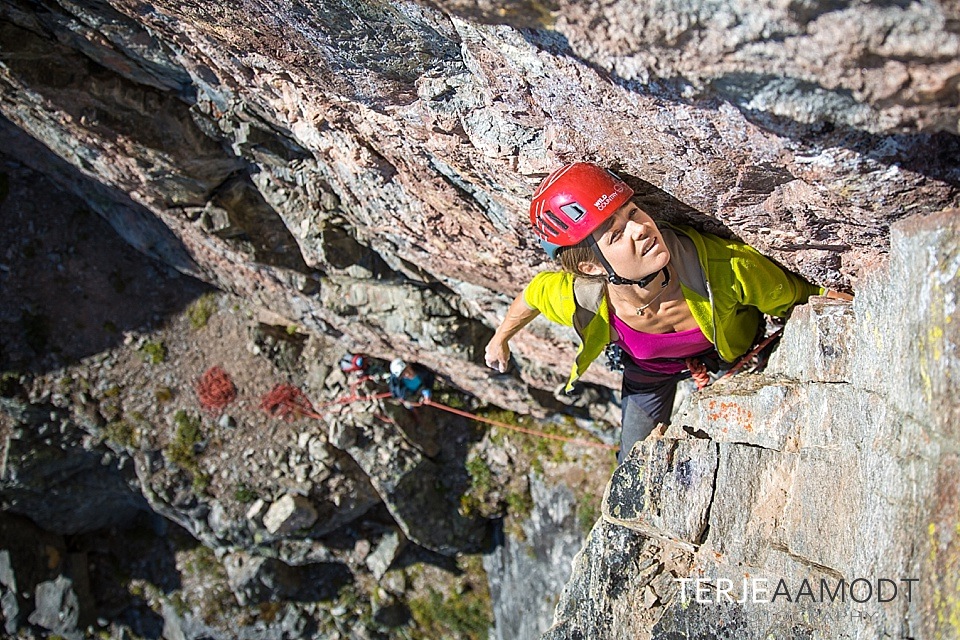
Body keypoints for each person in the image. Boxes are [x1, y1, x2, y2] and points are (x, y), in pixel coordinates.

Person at [484, 163, 852, 463]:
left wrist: (833, 299)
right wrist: (500, 338)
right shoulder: (584, 297)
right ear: (592, 268)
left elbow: (800, 295)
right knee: (632, 462)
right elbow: (533, 294)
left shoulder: (722, 268)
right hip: (651, 373)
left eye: (632, 212)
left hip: (731, 356)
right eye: (615, 236)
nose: (641, 229)